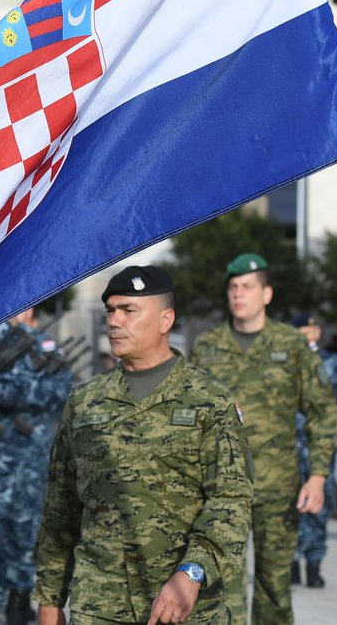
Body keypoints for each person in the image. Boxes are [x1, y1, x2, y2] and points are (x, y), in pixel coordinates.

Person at [34, 265, 252, 624]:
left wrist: (192, 573)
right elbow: (60, 510)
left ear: (166, 320)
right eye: (110, 311)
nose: (115, 322)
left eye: (129, 311)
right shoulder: (85, 402)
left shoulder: (208, 400)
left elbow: (230, 500)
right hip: (100, 608)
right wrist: (49, 599)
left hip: (185, 607)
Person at [189, 253, 337, 624]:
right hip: (219, 490)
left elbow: (323, 410)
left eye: (248, 287)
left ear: (267, 294)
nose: (239, 294)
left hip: (277, 486)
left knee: (274, 587)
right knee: (223, 585)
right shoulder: (207, 347)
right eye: (234, 287)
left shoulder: (291, 345)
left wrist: (317, 476)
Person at [0, 308, 73, 625]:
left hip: (32, 456)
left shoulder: (45, 348)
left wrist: (18, 394)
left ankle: (18, 594)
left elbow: (61, 391)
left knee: (27, 527)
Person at [290, 313, 337, 590]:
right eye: (303, 329)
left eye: (312, 329)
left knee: (319, 507)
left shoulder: (330, 362)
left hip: (321, 448)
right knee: (290, 507)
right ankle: (292, 562)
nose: (308, 334)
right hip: (288, 448)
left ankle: (315, 564)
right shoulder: (283, 362)